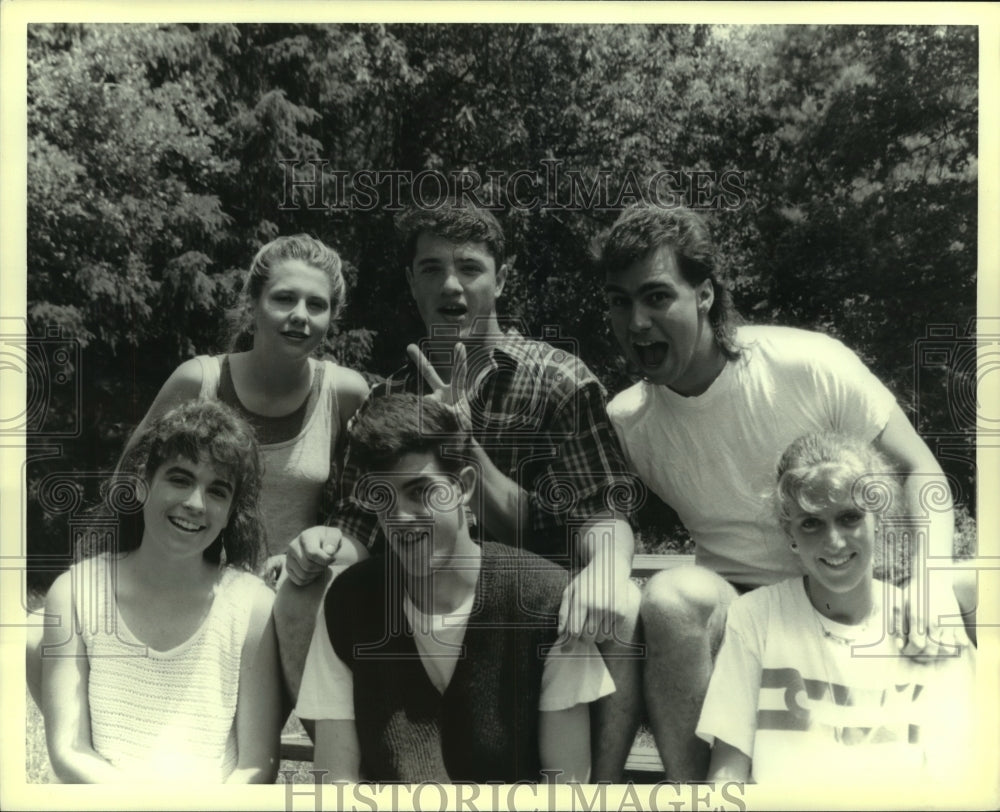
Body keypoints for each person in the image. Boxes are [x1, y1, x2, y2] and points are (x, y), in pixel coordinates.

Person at [598, 202, 976, 780]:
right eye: (620, 302)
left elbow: (923, 472)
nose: (637, 323)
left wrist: (928, 589)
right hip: (743, 607)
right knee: (672, 599)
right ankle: (698, 793)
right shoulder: (628, 422)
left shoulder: (806, 364)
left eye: (656, 296)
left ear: (704, 293)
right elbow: (585, 514)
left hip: (859, 580)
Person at [275, 201, 643, 780]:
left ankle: (595, 788)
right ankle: (363, 763)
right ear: (411, 282)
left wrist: (466, 444)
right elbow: (360, 531)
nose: (451, 284)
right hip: (417, 605)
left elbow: (602, 513)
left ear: (503, 277)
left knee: (619, 603)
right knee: (305, 592)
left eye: (470, 267)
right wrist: (318, 549)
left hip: (539, 621)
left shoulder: (556, 381)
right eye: (431, 268)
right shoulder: (388, 397)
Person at [298, 394, 613, 782]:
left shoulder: (544, 601)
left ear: (463, 487)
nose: (401, 518)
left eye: (420, 492)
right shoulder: (350, 603)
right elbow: (336, 784)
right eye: (384, 497)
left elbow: (566, 790)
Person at [697, 432, 976, 784]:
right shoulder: (756, 617)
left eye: (849, 517)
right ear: (790, 534)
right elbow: (726, 774)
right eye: (811, 523)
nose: (834, 542)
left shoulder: (927, 621)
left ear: (878, 517)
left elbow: (956, 776)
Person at [41, 400, 282, 783]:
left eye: (218, 491)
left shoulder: (253, 607)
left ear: (231, 512)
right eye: (180, 479)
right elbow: (69, 750)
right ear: (141, 483)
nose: (195, 504)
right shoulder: (74, 593)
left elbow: (256, 765)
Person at [119, 233, 369, 580]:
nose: (300, 315)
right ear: (252, 304)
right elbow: (128, 484)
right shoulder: (199, 381)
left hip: (292, 598)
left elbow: (368, 508)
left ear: (332, 315)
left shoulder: (344, 393)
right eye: (284, 299)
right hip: (188, 591)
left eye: (316, 304)